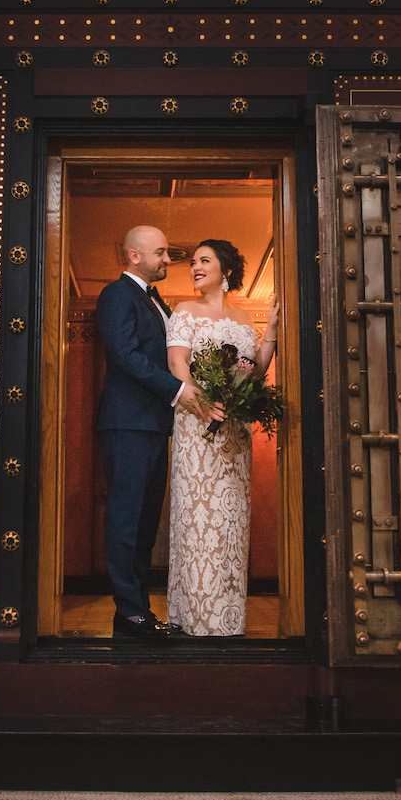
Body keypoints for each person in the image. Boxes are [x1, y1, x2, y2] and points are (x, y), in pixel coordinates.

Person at [94, 225, 205, 639]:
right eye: (160, 252)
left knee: (143, 523)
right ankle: (130, 610)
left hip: (155, 426)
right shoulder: (116, 294)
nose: (168, 259)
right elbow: (125, 355)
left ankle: (136, 612)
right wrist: (178, 389)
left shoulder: (158, 302)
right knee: (126, 519)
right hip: (127, 424)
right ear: (134, 256)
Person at [164, 239, 279, 636]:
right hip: (197, 428)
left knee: (229, 525)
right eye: (193, 262)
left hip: (235, 434)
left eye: (204, 261)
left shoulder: (246, 319)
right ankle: (192, 617)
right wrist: (199, 402)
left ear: (225, 271)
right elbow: (177, 363)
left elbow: (255, 372)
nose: (195, 266)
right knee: (197, 522)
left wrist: (272, 333)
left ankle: (228, 619)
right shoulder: (184, 312)